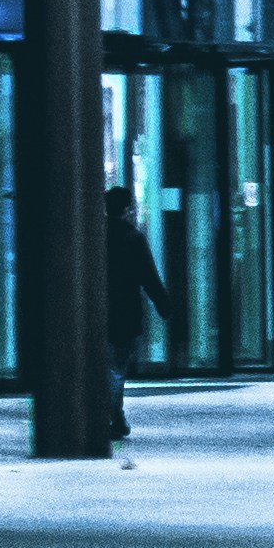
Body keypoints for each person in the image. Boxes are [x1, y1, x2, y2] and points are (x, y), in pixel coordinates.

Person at [96, 183, 178, 450]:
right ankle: (113, 416)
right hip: (126, 311)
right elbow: (149, 277)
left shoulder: (97, 237)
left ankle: (113, 416)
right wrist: (165, 307)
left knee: (110, 366)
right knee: (117, 367)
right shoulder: (134, 239)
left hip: (100, 311)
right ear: (128, 209)